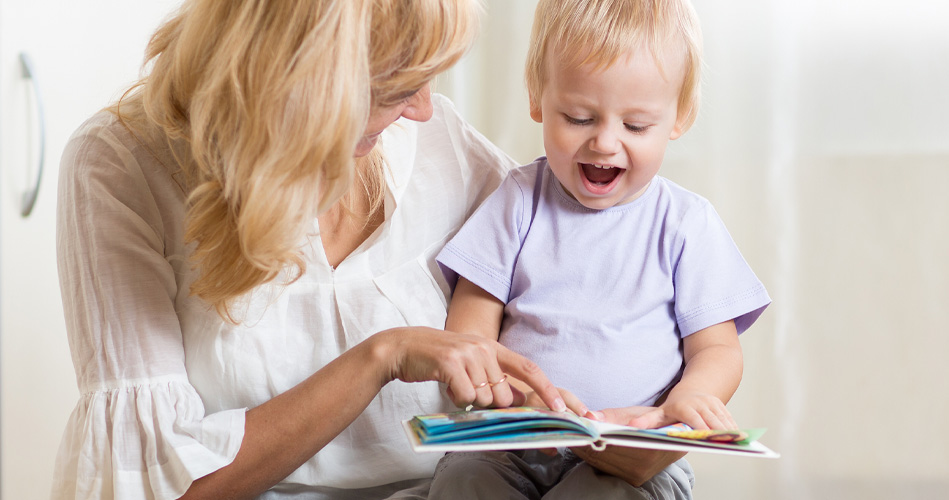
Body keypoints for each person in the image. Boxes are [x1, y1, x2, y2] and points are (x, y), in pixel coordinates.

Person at [52, 1, 576, 499]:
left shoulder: (443, 145)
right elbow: (154, 487)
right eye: (396, 87)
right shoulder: (121, 166)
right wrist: (381, 356)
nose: (422, 109)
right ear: (305, 84)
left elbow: (589, 271)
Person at [428, 0, 772, 498]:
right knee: (463, 482)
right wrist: (506, 393)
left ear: (680, 115)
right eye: (579, 116)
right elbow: (471, 327)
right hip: (512, 442)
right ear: (538, 99)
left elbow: (717, 347)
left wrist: (693, 395)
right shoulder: (518, 200)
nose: (605, 143)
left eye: (635, 126)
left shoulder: (686, 224)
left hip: (631, 454)